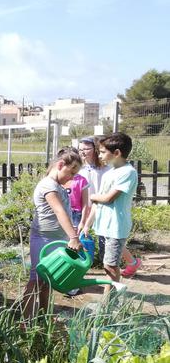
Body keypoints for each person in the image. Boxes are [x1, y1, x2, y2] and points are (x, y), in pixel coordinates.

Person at [23, 148, 83, 317]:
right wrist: (73, 237)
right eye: (71, 172)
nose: (72, 177)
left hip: (55, 240)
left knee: (47, 280)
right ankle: (24, 321)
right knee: (36, 279)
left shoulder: (58, 186)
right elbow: (59, 211)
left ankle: (44, 315)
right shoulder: (48, 185)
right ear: (61, 165)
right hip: (43, 239)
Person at [81, 133, 138, 293]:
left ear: (117, 153)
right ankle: (110, 299)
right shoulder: (109, 173)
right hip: (103, 226)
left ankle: (110, 301)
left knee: (111, 266)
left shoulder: (128, 172)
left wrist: (93, 196)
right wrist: (87, 224)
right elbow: (98, 202)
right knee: (107, 265)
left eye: (102, 152)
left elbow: (108, 198)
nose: (99, 155)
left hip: (116, 227)